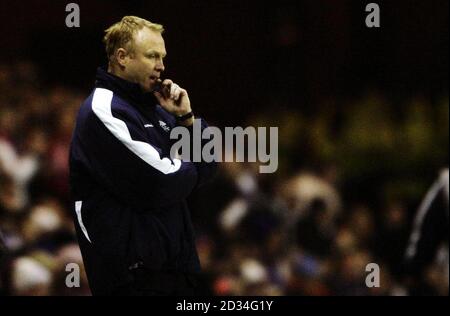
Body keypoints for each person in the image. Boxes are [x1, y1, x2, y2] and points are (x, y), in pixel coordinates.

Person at [69, 16, 217, 295]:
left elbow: (208, 166)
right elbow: (161, 181)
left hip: (175, 269)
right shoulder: (103, 109)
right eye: (152, 56)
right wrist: (188, 167)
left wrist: (186, 119)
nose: (161, 66)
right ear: (122, 57)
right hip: (132, 277)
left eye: (162, 57)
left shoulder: (158, 108)